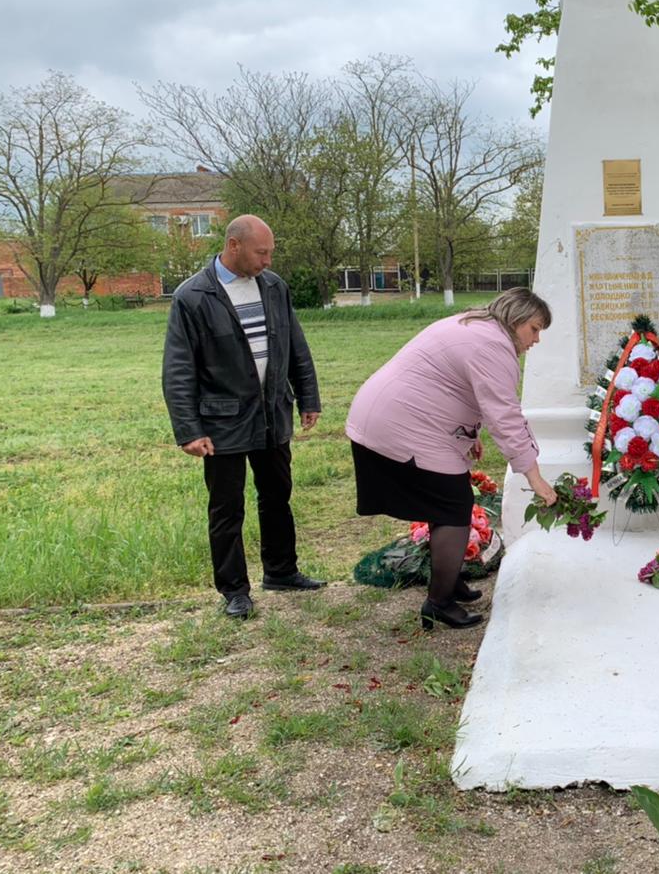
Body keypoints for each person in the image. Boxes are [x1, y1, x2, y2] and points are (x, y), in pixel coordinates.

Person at [346, 287, 559, 631]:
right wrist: (534, 477)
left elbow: (453, 386)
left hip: (389, 416)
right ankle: (439, 602)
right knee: (453, 506)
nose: (536, 339)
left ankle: (448, 578)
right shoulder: (493, 346)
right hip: (400, 425)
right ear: (516, 319)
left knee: (447, 503)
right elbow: (504, 416)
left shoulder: (474, 325)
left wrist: (469, 436)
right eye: (534, 329)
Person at [163, 214, 325, 620]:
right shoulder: (192, 296)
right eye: (261, 252)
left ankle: (281, 571)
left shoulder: (274, 287)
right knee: (227, 509)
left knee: (277, 495)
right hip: (222, 423)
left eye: (270, 253)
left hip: (272, 414)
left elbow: (296, 345)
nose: (267, 261)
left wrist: (308, 398)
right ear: (234, 246)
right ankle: (234, 590)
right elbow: (178, 369)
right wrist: (189, 430)